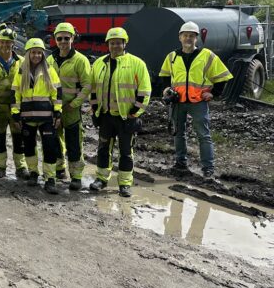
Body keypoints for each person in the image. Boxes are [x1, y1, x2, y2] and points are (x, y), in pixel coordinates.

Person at [158, 21, 232, 181]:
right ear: (180, 37)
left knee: (203, 135)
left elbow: (222, 76)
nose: (188, 38)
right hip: (178, 102)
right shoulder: (172, 57)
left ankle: (208, 168)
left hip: (198, 102)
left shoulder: (207, 56)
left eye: (191, 36)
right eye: (185, 35)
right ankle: (180, 163)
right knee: (178, 134)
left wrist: (214, 94)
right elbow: (164, 75)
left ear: (196, 38)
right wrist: (166, 89)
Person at [89, 27, 151, 197]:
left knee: (126, 152)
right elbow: (93, 89)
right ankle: (101, 179)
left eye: (118, 43)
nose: (115, 46)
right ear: (108, 44)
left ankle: (124, 183)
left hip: (126, 117)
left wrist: (135, 113)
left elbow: (145, 91)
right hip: (106, 116)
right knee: (103, 149)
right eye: (112, 43)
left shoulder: (137, 63)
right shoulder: (99, 64)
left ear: (125, 44)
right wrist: (95, 111)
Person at [11, 38, 63, 194]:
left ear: (43, 54)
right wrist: (15, 114)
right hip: (27, 117)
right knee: (29, 147)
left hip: (47, 117)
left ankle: (50, 179)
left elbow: (57, 92)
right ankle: (33, 172)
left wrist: (58, 111)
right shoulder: (21, 71)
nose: (36, 55)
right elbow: (15, 94)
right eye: (33, 52)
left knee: (49, 147)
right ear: (28, 54)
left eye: (39, 53)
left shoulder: (50, 70)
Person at [47, 23, 91, 190]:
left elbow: (87, 85)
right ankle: (59, 170)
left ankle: (76, 177)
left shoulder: (81, 60)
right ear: (55, 40)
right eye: (60, 38)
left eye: (67, 38)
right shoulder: (50, 60)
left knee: (74, 144)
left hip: (71, 110)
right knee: (55, 141)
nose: (63, 41)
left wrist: (75, 104)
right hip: (54, 109)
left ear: (73, 38)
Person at [0, 28, 27, 179]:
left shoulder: (22, 62)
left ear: (13, 43)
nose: (5, 45)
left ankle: (20, 167)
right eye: (2, 42)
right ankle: (0, 167)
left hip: (16, 108)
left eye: (8, 42)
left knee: (19, 139)